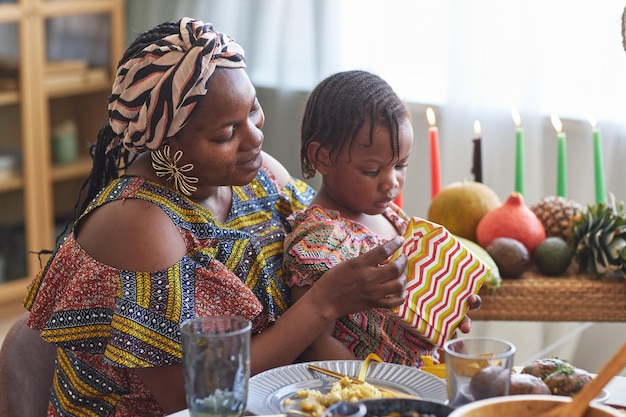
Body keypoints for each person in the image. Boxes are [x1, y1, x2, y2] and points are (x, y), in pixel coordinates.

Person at [22, 19, 409, 416]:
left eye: (253, 110)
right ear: (167, 144)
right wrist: (322, 304)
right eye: (226, 134)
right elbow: (196, 396)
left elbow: (334, 241)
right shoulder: (140, 222)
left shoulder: (259, 177)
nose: (255, 137)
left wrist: (423, 291)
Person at [284, 70, 480, 367]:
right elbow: (316, 344)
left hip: (426, 377)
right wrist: (379, 390)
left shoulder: (391, 217)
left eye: (400, 165)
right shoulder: (317, 242)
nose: (391, 182)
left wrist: (447, 302)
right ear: (322, 158)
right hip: (373, 391)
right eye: (372, 171)